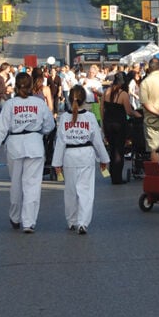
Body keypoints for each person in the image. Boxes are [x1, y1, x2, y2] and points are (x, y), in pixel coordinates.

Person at [0, 71, 56, 233]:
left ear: (15, 86)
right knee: (32, 185)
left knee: (16, 183)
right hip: (34, 143)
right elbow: (50, 125)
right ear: (31, 86)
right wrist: (39, 132)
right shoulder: (39, 104)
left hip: (15, 145)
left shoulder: (10, 104)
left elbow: (1, 129)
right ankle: (28, 222)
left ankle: (15, 217)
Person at [52, 84, 110, 234]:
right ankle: (83, 222)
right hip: (86, 155)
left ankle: (71, 221)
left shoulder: (64, 117)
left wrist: (57, 163)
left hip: (69, 156)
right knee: (85, 191)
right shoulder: (90, 117)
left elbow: (60, 141)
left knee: (70, 191)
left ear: (69, 99)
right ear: (85, 99)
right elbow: (97, 140)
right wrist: (104, 159)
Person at [102, 72, 141, 184]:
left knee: (112, 149)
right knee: (119, 150)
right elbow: (129, 111)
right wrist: (137, 114)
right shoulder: (123, 94)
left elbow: (102, 109)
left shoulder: (106, 92)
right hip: (119, 124)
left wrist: (104, 125)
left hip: (108, 124)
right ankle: (117, 177)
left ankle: (113, 175)